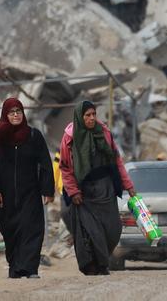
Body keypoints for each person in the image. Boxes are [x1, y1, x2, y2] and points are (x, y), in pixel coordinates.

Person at [60, 100, 136, 276]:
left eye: (94, 114)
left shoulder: (104, 133)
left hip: (105, 188)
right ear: (80, 117)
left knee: (112, 230)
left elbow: (117, 160)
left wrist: (128, 186)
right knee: (90, 232)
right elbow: (65, 167)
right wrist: (73, 191)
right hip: (83, 191)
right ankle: (95, 265)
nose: (92, 118)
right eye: (88, 115)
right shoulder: (70, 137)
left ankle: (102, 260)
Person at [0, 98, 54, 279]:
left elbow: (46, 163)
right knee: (10, 231)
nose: (16, 114)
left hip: (30, 193)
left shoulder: (33, 136)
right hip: (5, 196)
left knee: (31, 229)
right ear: (5, 115)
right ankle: (15, 268)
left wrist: (47, 190)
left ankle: (30, 269)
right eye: (11, 112)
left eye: (19, 111)